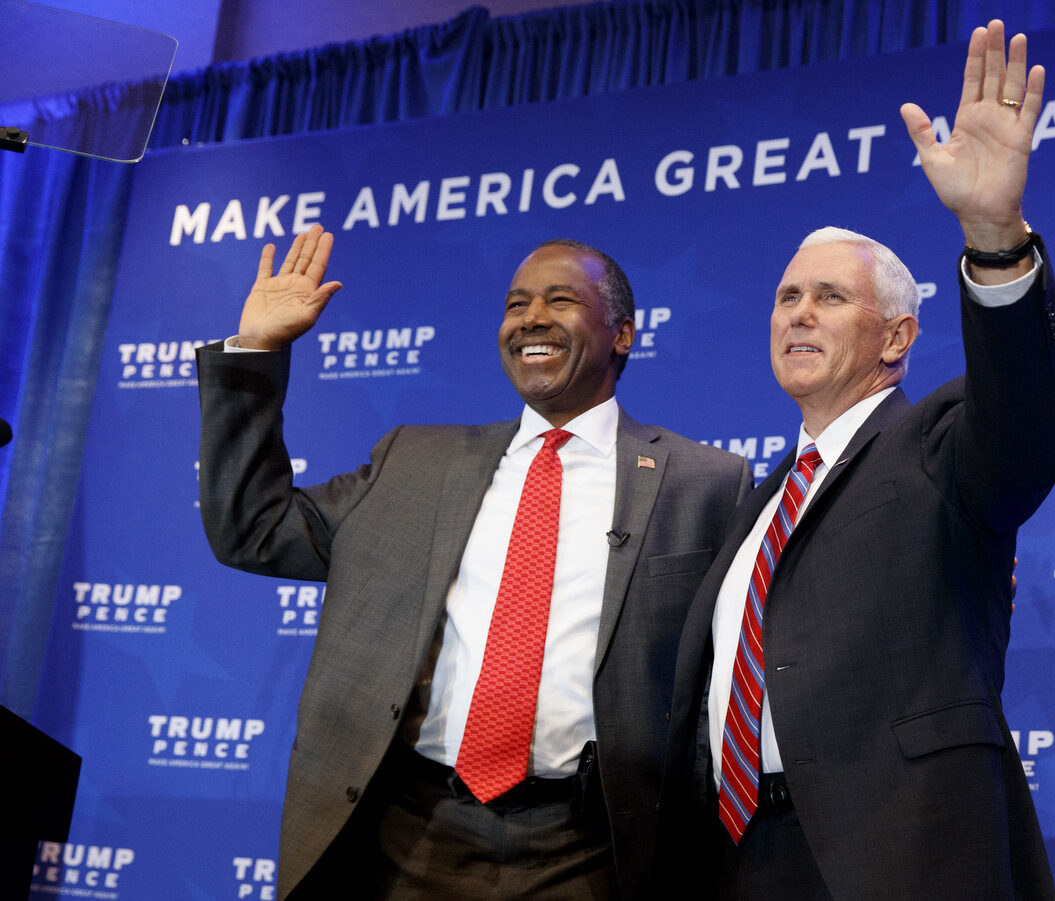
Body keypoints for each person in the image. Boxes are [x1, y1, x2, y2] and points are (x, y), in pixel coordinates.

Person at [658, 20, 1055, 900]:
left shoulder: (937, 444)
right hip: (743, 862)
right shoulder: (761, 500)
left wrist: (995, 236)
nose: (798, 313)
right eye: (786, 297)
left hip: (898, 857)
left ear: (896, 334)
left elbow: (1030, 419)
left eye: (829, 296)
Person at [197, 233, 750, 899]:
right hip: (409, 833)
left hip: (588, 847)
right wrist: (256, 351)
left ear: (622, 334)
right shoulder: (415, 462)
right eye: (516, 303)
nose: (531, 317)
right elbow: (252, 529)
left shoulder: (707, 483)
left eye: (560, 299)